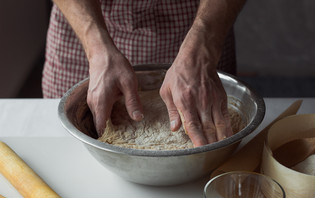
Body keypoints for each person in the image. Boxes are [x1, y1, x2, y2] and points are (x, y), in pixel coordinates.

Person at [42, 0, 246, 147]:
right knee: (69, 150)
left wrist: (203, 46)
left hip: (201, 26)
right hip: (83, 27)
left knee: (212, 135)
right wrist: (96, 48)